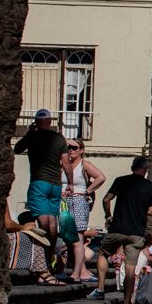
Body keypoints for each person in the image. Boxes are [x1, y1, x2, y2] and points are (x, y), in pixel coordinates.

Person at [93, 156, 152, 304]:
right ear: (145, 169)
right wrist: (141, 208)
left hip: (118, 228)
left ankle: (100, 289)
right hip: (137, 233)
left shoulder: (121, 180)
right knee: (130, 268)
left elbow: (106, 199)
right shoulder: (150, 187)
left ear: (132, 167)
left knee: (103, 253)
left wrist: (108, 215)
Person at [14, 109, 67, 263]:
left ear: (36, 122)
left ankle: (42, 259)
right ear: (50, 122)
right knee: (52, 221)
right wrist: (69, 182)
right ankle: (50, 256)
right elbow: (66, 163)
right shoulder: (59, 138)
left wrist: (29, 133)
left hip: (39, 182)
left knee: (43, 222)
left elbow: (17, 149)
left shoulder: (33, 136)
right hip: (55, 184)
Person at [61, 139, 104, 284]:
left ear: (81, 150)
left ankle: (76, 273)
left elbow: (101, 177)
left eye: (74, 147)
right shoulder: (63, 164)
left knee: (78, 237)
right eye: (68, 147)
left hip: (78, 200)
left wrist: (87, 191)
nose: (70, 150)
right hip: (64, 202)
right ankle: (81, 271)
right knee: (66, 237)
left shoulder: (84, 164)